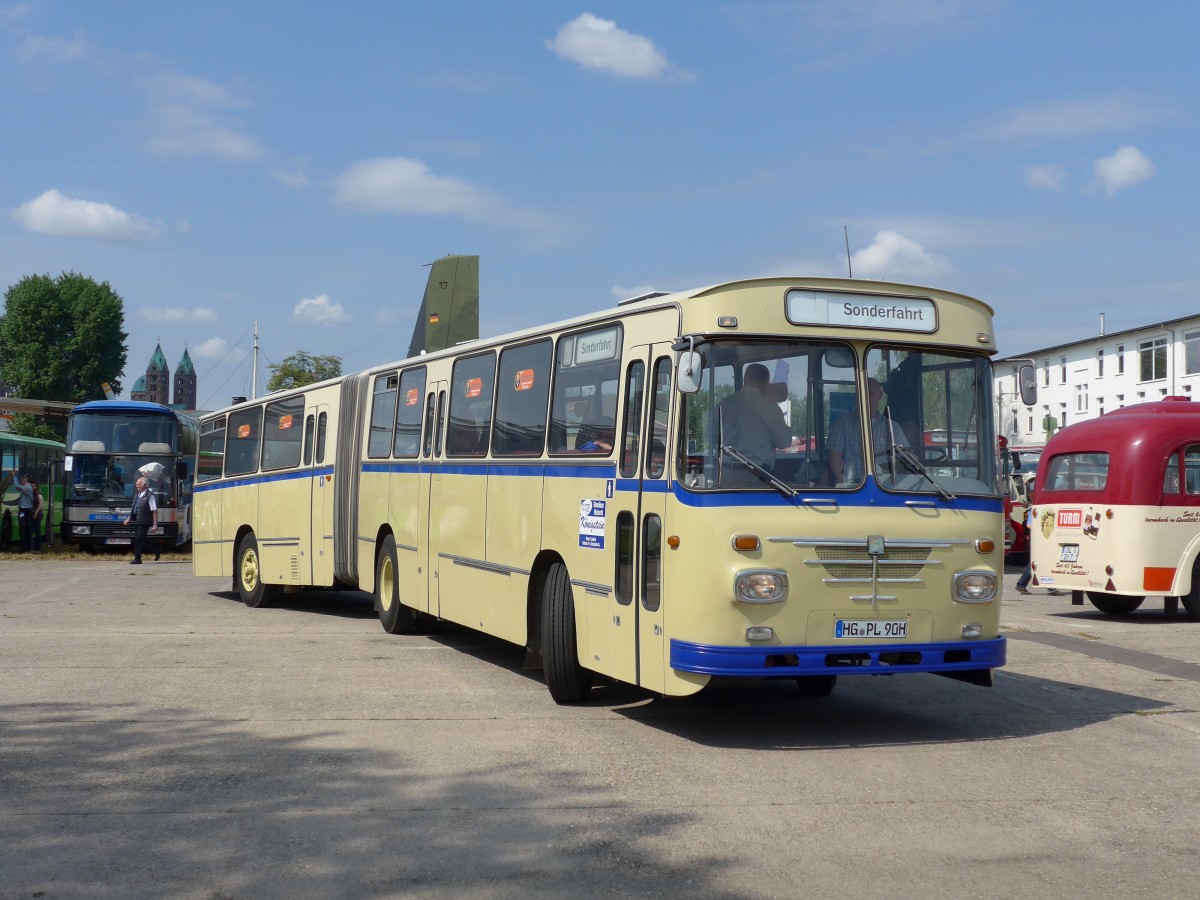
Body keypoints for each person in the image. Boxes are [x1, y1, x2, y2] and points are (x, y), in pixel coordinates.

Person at [827, 378, 910, 484]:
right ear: (856, 396)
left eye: (870, 393)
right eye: (862, 393)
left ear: (880, 396)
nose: (866, 397)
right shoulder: (842, 423)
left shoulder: (892, 426)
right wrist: (846, 486)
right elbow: (835, 457)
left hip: (886, 486)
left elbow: (907, 457)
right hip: (854, 484)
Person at [717, 363, 792, 479]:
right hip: (757, 476)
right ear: (766, 382)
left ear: (744, 379)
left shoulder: (723, 404)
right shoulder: (771, 408)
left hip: (724, 474)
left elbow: (711, 436)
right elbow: (783, 442)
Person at [1016, 487, 1062, 596]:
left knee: (1044, 562)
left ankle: (1050, 588)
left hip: (1044, 539)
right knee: (1036, 562)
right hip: (1038, 540)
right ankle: (1021, 585)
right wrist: (1041, 530)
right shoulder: (1035, 509)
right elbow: (1029, 525)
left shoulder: (1044, 509)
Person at [124, 476, 158, 564]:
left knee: (139, 538)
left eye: (138, 484)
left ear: (145, 485)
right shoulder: (137, 494)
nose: (137, 486)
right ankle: (156, 550)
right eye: (136, 484)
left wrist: (155, 524)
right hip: (137, 520)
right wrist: (129, 518)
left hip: (145, 521)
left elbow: (154, 511)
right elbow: (134, 508)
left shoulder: (150, 496)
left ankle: (137, 558)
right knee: (141, 539)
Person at [11, 470, 36, 552]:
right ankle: (26, 548)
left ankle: (24, 548)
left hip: (24, 511)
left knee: (23, 529)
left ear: (25, 480)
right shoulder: (28, 489)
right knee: (25, 529)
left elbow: (17, 487)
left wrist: (14, 477)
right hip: (25, 510)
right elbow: (16, 501)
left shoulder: (28, 488)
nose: (20, 481)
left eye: (21, 479)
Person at [31, 480, 44, 553]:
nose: (31, 487)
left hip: (37, 514)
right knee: (33, 531)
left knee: (37, 531)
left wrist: (36, 512)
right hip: (34, 514)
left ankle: (37, 548)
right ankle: (33, 547)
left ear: (36, 486)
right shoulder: (32, 493)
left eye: (32, 485)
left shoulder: (38, 494)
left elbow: (41, 504)